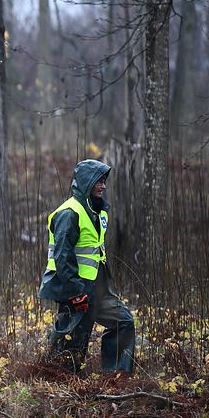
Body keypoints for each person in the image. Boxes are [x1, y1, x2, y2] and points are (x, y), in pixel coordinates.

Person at [39, 158, 135, 374]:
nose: (103, 185)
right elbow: (63, 257)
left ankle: (116, 377)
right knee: (72, 344)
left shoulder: (99, 212)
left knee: (124, 322)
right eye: (98, 181)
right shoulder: (69, 213)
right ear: (85, 182)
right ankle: (55, 381)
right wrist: (75, 292)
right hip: (77, 290)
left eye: (104, 181)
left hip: (99, 289)